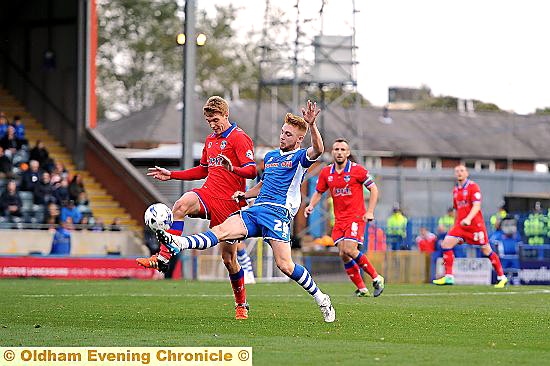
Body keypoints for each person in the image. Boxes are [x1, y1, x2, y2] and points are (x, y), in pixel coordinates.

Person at [155, 100, 336, 323]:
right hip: (256, 209)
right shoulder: (270, 158)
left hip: (277, 214)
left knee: (285, 265)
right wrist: (245, 195)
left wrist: (312, 125)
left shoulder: (299, 158)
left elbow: (318, 149)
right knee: (222, 230)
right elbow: (261, 185)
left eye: (288, 135)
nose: (282, 137)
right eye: (282, 132)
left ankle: (321, 297)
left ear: (299, 139)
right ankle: (180, 243)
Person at [137, 96, 257, 320]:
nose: (213, 124)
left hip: (230, 203)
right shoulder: (210, 141)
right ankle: (164, 258)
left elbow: (252, 171)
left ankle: (241, 304)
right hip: (209, 193)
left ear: (226, 115)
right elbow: (203, 171)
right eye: (209, 120)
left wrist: (233, 168)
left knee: (229, 261)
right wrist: (171, 174)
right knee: (181, 204)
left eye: (216, 119)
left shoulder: (239, 138)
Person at [304, 138, 384, 297]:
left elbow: (374, 189)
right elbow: (319, 191)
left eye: (342, 150)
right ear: (332, 152)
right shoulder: (327, 172)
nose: (339, 152)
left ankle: (376, 277)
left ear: (348, 153)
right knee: (343, 254)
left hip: (356, 217)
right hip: (339, 220)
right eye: (336, 149)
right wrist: (311, 205)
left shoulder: (357, 170)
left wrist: (370, 211)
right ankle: (362, 288)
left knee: (350, 249)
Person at [433, 165, 508, 288]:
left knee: (486, 250)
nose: (459, 173)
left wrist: (468, 219)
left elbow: (476, 206)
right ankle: (449, 276)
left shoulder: (473, 187)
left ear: (467, 173)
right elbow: (457, 210)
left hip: (475, 225)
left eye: (462, 171)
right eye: (457, 171)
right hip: (461, 226)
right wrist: (455, 226)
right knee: (446, 243)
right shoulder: (456, 190)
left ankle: (502, 277)